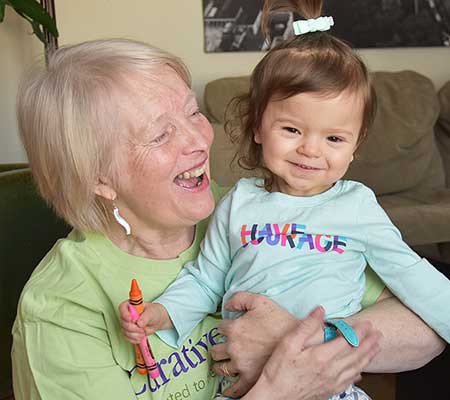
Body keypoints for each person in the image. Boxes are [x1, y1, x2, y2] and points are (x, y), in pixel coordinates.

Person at [12, 38, 443, 400]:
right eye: (161, 133)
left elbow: (423, 326)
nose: (199, 140)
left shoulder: (255, 210)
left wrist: (302, 338)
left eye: (193, 112)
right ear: (99, 178)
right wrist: (278, 387)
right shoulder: (61, 311)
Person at [119, 1, 450, 399]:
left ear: (355, 145)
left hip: (329, 385)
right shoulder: (238, 203)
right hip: (245, 386)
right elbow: (206, 279)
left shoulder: (356, 207)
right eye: (292, 129)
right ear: (258, 126)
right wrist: (164, 312)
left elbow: (410, 272)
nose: (311, 150)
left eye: (334, 138)